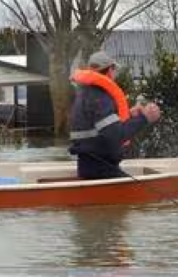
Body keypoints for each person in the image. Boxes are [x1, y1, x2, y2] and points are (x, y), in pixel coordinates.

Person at [68, 50, 161, 180]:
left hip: (90, 166)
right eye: (114, 69)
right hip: (101, 170)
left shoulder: (86, 94)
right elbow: (115, 136)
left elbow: (102, 126)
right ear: (110, 70)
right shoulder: (99, 97)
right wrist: (144, 118)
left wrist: (130, 115)